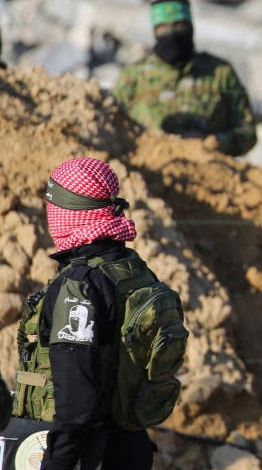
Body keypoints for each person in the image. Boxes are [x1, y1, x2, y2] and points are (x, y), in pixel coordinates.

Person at [13, 158, 160, 470]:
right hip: (131, 448)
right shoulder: (133, 269)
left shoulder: (78, 284)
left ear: (68, 213)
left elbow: (77, 399)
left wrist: (57, 462)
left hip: (91, 454)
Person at [113, 0, 257, 157]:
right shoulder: (133, 77)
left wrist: (215, 142)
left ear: (190, 27)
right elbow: (113, 129)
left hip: (210, 170)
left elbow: (247, 131)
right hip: (153, 173)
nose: (172, 34)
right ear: (155, 31)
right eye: (163, 27)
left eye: (179, 26)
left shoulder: (219, 73)